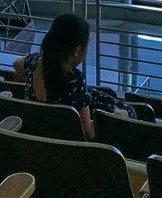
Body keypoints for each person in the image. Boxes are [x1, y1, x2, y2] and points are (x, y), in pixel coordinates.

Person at [13, 12, 136, 140]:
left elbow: (16, 63)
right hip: (67, 144)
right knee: (129, 113)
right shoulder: (74, 81)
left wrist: (28, 73)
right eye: (87, 43)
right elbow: (86, 133)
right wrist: (116, 118)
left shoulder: (35, 63)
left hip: (41, 133)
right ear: (77, 50)